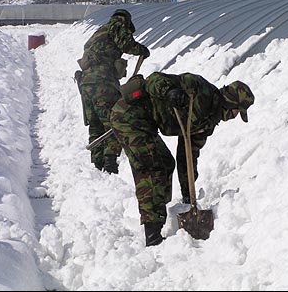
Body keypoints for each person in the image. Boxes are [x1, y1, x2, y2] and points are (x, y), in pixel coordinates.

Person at [109, 71, 254, 246]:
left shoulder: (208, 122)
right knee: (152, 168)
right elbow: (154, 79)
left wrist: (188, 195)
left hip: (146, 124)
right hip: (129, 117)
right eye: (237, 111)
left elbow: (188, 156)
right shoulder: (199, 88)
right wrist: (169, 91)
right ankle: (153, 232)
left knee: (166, 162)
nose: (235, 116)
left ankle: (160, 213)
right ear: (231, 103)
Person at [75, 9, 150, 174]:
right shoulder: (117, 24)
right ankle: (109, 164)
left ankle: (97, 163)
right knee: (112, 121)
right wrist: (142, 50)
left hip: (86, 83)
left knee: (95, 122)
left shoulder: (99, 32)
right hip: (103, 82)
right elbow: (126, 44)